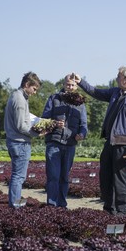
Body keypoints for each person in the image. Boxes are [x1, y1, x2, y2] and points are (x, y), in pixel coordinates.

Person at [72, 66, 126, 217]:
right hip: (110, 142)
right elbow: (96, 92)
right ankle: (108, 209)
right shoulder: (115, 92)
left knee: (120, 179)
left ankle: (121, 212)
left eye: (119, 76)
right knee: (105, 176)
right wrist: (81, 82)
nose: (116, 78)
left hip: (124, 144)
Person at [41, 75, 88, 208]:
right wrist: (55, 124)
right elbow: (43, 120)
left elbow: (84, 125)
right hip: (54, 142)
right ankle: (52, 205)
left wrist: (82, 134)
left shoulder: (80, 103)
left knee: (64, 178)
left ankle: (62, 206)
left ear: (76, 86)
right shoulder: (54, 98)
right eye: (68, 84)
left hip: (70, 144)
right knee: (53, 176)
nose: (70, 87)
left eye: (73, 85)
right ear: (64, 84)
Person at [4, 71, 44, 208]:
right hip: (20, 143)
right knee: (19, 177)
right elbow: (21, 126)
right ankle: (16, 206)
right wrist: (38, 133)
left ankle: (14, 204)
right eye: (34, 89)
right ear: (27, 84)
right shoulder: (20, 100)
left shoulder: (16, 95)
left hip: (14, 141)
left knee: (17, 175)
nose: (34, 92)